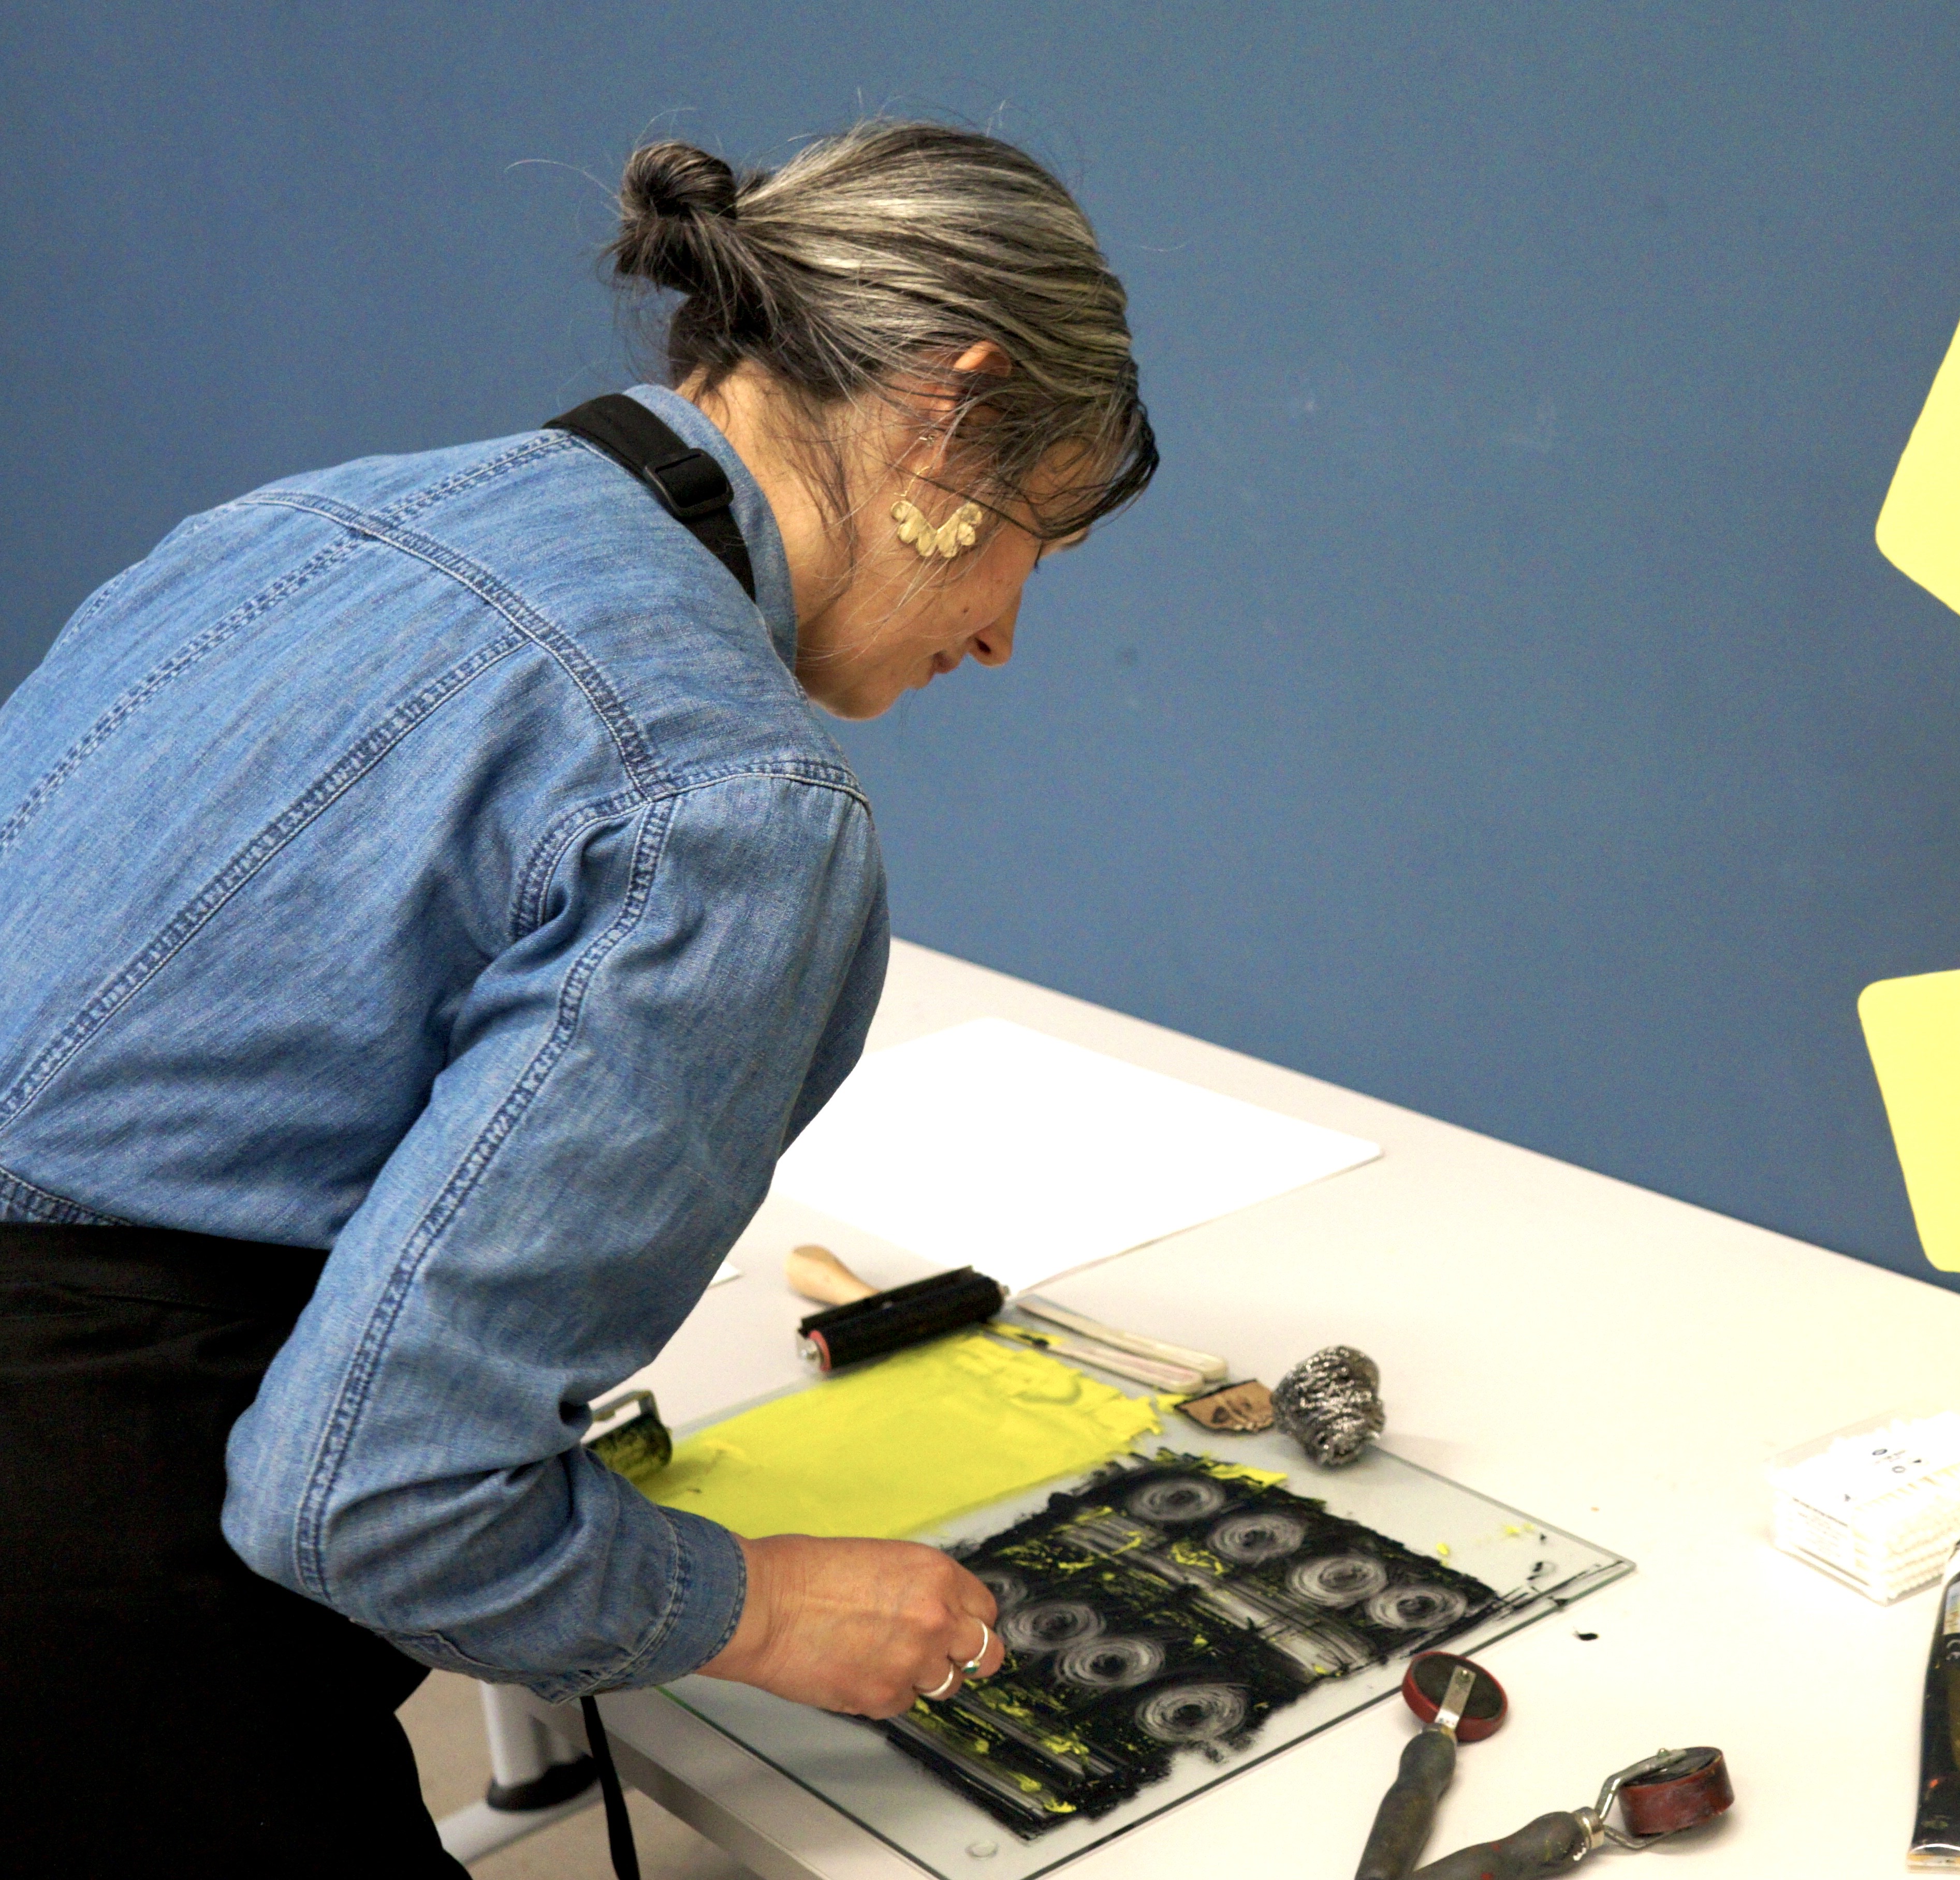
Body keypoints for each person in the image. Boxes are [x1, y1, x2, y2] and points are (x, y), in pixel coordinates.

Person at [0, 120, 1155, 1873]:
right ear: (947, 413)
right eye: (1042, 543)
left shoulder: (299, 519)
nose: (999, 633)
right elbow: (372, 1505)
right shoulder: (734, 802)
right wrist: (757, 1608)